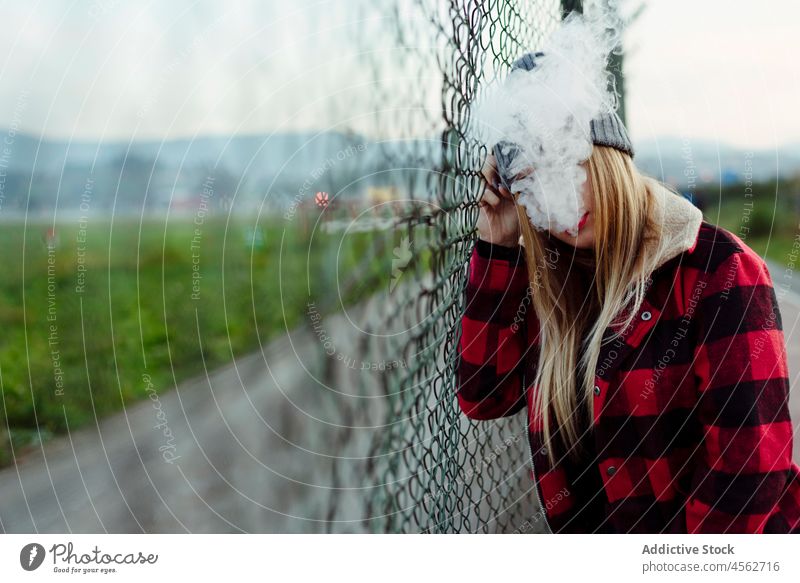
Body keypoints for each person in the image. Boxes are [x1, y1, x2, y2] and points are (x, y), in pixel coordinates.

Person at [455, 52, 800, 534]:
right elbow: (483, 395)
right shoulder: (554, 286)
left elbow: (749, 476)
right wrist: (497, 240)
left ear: (608, 155)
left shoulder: (719, 272)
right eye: (534, 183)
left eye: (571, 167)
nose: (565, 200)